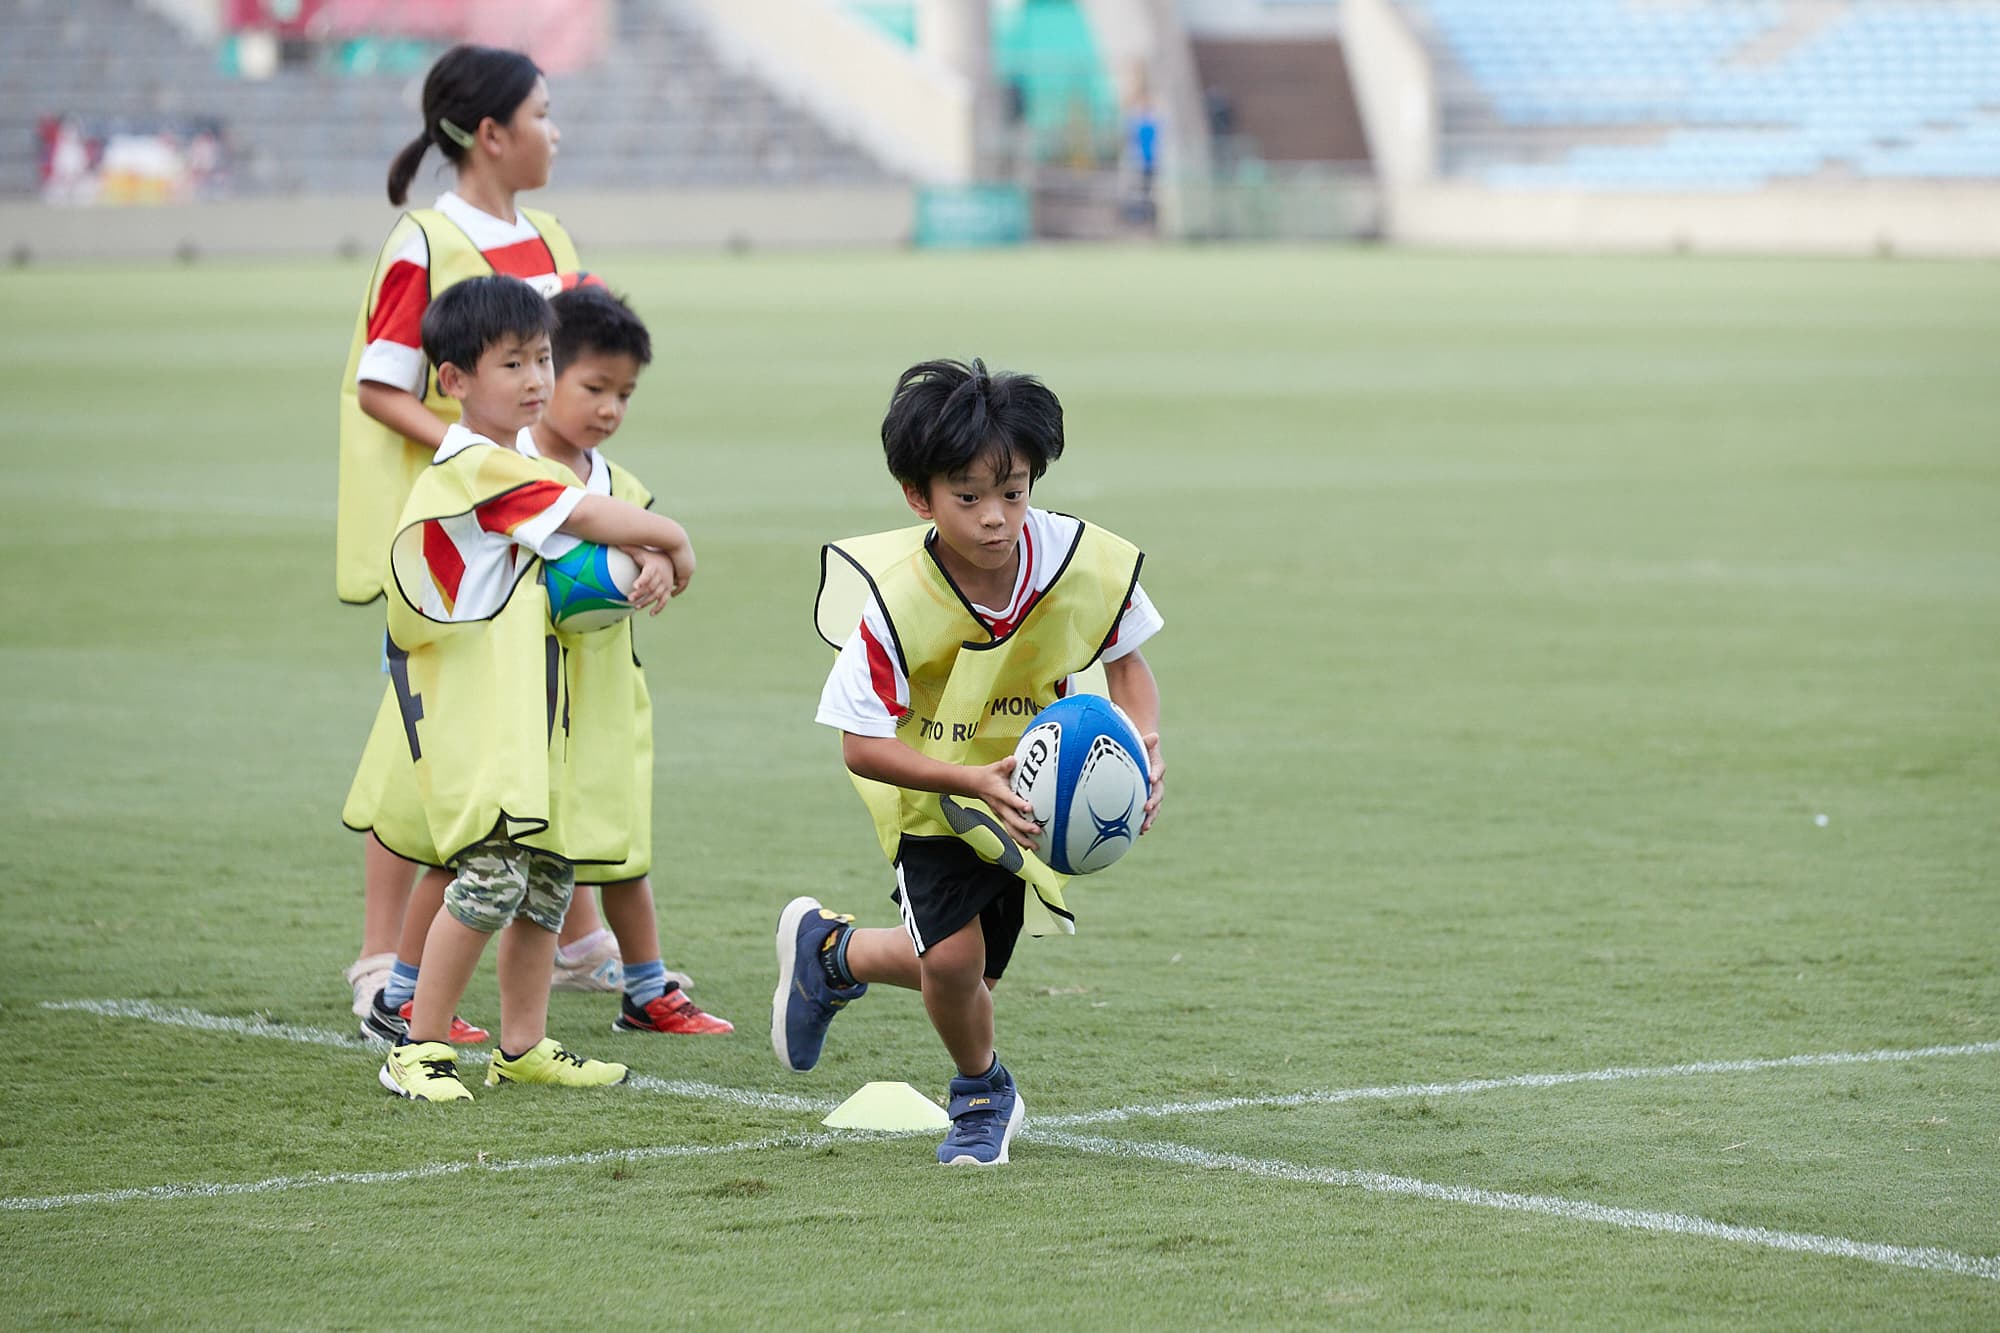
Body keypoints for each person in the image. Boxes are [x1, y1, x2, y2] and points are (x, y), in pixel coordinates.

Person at [773, 358, 1166, 1164]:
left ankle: (829, 953)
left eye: (1013, 491)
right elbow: (860, 742)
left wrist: (1143, 743)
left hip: (1034, 798)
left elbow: (1127, 661)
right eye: (968, 496)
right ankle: (983, 1093)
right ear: (919, 497)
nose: (996, 517)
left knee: (969, 980)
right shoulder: (895, 603)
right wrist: (969, 779)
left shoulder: (1078, 560)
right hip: (935, 790)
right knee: (952, 963)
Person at [367, 275, 695, 1102]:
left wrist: (645, 556)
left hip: (529, 710)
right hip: (473, 715)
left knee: (546, 878)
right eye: (511, 363)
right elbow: (588, 518)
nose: (534, 379)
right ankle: (418, 1043)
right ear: (453, 381)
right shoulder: (477, 464)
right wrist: (674, 542)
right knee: (488, 877)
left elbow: (583, 536)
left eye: (543, 358)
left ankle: (521, 1044)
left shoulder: (513, 459)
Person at [336, 43, 596, 1021]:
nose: (554, 131)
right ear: (492, 134)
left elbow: (572, 373)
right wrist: (480, 459)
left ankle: (567, 940)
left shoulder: (554, 236)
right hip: (452, 548)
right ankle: (378, 965)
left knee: (530, 728)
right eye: (541, 112)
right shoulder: (425, 240)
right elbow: (378, 387)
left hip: (536, 530)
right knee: (421, 746)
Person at [513, 285, 731, 1036]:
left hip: (608, 693)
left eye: (625, 394)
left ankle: (647, 990)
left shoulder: (621, 483)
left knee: (625, 848)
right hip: (527, 696)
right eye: (594, 387)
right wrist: (654, 548)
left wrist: (660, 566)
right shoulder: (509, 470)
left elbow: (644, 551)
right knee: (498, 857)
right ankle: (407, 986)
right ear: (545, 377)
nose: (609, 408)